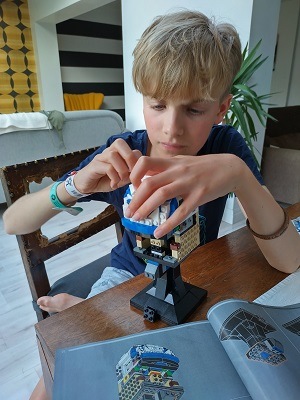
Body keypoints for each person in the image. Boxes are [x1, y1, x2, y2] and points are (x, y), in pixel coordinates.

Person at [3, 10, 300, 400]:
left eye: (194, 110)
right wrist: (74, 185)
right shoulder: (124, 151)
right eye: (158, 105)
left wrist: (239, 175)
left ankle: (90, 311)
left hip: (196, 277)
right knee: (64, 371)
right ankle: (90, 311)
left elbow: (289, 261)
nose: (171, 129)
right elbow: (12, 221)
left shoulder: (225, 148)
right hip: (125, 275)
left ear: (221, 109)